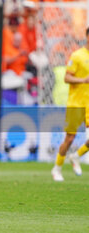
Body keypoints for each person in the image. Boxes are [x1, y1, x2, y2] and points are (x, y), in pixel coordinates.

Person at [51, 27, 89, 182]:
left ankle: (76, 156)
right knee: (70, 139)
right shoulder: (77, 55)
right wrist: (83, 80)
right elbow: (67, 78)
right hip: (76, 103)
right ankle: (57, 168)